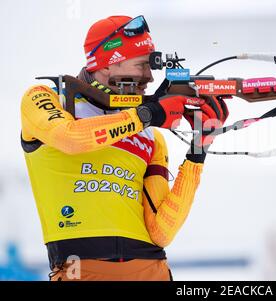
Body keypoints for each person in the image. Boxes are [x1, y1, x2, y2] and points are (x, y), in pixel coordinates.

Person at [20, 15, 228, 281]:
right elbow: (69, 138)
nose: (149, 77)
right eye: (142, 64)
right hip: (80, 269)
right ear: (110, 63)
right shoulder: (47, 97)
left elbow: (161, 232)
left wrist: (199, 150)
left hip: (152, 269)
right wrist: (147, 114)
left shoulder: (150, 134)